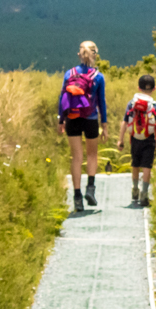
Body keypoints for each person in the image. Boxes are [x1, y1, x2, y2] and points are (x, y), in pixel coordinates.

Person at [57, 40, 107, 212]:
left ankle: (77, 197)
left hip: (72, 118)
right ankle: (90, 188)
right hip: (91, 118)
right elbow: (101, 102)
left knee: (76, 157)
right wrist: (105, 125)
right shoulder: (98, 77)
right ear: (95, 54)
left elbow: (62, 98)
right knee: (92, 154)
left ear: (79, 54)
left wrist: (60, 120)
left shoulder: (68, 73)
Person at [118, 74, 156, 207]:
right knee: (147, 166)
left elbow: (125, 122)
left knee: (135, 164)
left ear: (139, 87)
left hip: (135, 139)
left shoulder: (131, 104)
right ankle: (144, 194)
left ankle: (135, 189)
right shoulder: (155, 106)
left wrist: (121, 140)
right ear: (154, 89)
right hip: (149, 140)